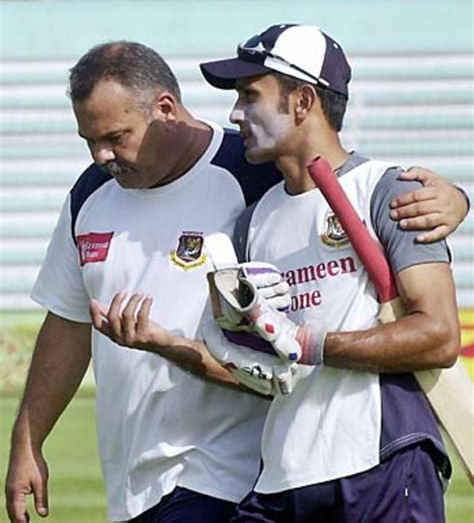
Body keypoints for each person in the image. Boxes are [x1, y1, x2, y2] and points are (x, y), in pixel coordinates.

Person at [4, 40, 468, 523]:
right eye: (89, 141)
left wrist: (454, 198)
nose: (102, 155)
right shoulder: (101, 195)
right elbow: (71, 324)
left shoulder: (253, 173)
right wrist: (27, 441)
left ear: (164, 107)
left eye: (116, 136)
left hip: (244, 472)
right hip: (230, 479)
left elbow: (352, 184)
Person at [199, 23, 465, 522]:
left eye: (250, 95)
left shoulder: (388, 191)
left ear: (302, 101)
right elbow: (258, 353)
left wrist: (308, 343)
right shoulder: (252, 219)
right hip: (282, 473)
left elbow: (438, 335)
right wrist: (235, 344)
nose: (236, 114)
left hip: (382, 458)